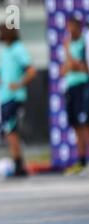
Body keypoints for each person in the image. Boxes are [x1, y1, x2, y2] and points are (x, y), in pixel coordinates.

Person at [0, 23, 37, 177]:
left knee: (11, 130)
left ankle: (18, 165)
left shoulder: (18, 49)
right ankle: (16, 162)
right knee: (8, 131)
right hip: (5, 96)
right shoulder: (4, 51)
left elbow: (31, 71)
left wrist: (19, 84)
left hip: (14, 97)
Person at [62, 18, 89, 175]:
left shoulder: (83, 45)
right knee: (76, 126)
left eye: (72, 27)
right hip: (71, 87)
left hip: (83, 86)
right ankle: (81, 160)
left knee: (85, 124)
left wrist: (69, 55)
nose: (70, 30)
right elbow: (64, 69)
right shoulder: (69, 45)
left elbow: (83, 68)